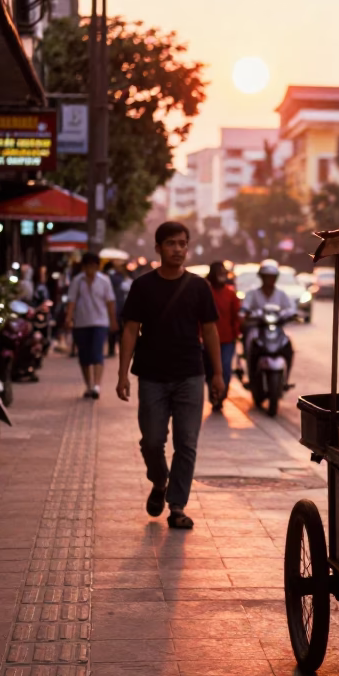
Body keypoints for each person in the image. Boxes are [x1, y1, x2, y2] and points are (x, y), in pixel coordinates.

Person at [117, 222, 223, 529]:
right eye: (171, 244)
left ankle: (177, 506)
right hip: (151, 375)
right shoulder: (142, 286)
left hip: (190, 374)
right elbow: (129, 330)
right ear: (158, 248)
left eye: (182, 243)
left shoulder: (199, 287)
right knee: (152, 441)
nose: (177, 249)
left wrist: (218, 374)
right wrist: (122, 374)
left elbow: (210, 330)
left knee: (186, 443)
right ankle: (160, 481)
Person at [65, 252, 118, 398]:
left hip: (100, 322)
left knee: (97, 353)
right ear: (84, 267)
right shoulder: (77, 281)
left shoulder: (104, 280)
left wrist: (113, 320)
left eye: (94, 266)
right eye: (88, 266)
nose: (91, 269)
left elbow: (110, 301)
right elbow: (72, 300)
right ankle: (88, 386)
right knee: (84, 357)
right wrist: (68, 318)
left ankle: (97, 385)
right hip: (81, 323)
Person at [242, 259, 297, 383]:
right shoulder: (252, 294)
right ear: (261, 277)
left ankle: (286, 379)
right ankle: (251, 375)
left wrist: (291, 314)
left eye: (272, 277)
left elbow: (290, 308)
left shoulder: (281, 294)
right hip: (258, 328)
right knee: (250, 340)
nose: (269, 280)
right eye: (267, 277)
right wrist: (247, 314)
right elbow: (244, 308)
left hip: (276, 329)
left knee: (288, 344)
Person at [206, 261, 241, 409]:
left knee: (225, 369)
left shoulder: (231, 294)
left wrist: (237, 333)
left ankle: (221, 395)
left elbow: (237, 316)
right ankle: (213, 394)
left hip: (227, 340)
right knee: (209, 369)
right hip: (207, 340)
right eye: (218, 273)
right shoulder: (206, 292)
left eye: (223, 273)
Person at [105, 262, 128, 358]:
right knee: (114, 331)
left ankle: (119, 350)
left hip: (120, 307)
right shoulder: (115, 277)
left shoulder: (119, 277)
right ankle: (113, 350)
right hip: (115, 307)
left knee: (120, 331)